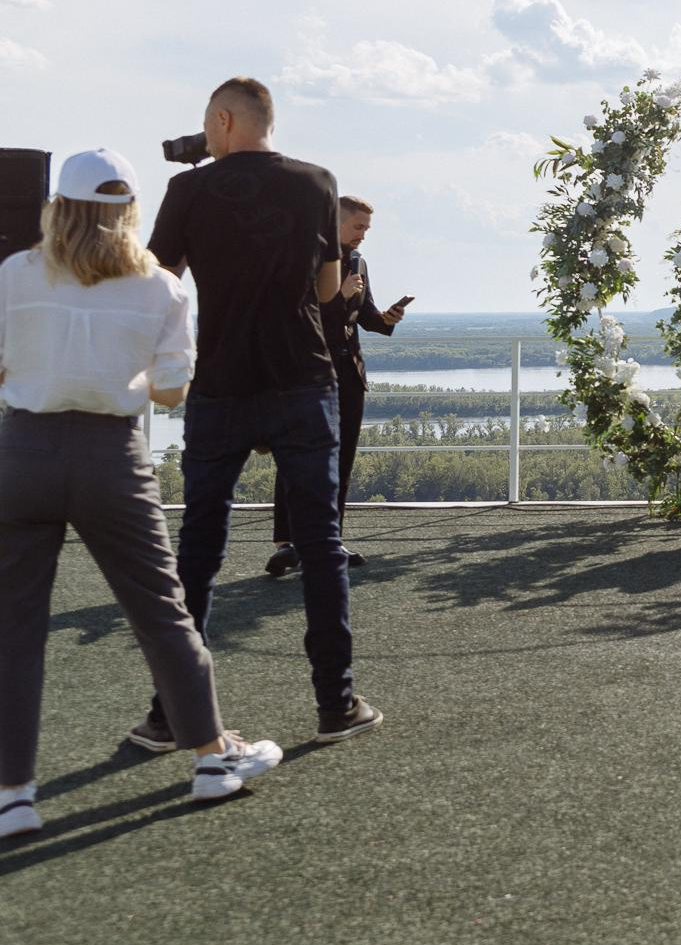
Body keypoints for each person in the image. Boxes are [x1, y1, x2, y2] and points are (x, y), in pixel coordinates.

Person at [1, 150, 285, 837]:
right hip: (110, 457)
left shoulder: (13, 275)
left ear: (58, 206)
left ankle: (14, 797)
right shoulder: (161, 287)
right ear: (129, 209)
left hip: (22, 452)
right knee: (163, 614)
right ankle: (214, 761)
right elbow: (171, 389)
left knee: (12, 631)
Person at [135, 78, 379, 749]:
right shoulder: (318, 181)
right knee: (321, 545)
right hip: (303, 379)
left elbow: (160, 283)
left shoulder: (188, 189)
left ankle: (167, 715)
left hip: (219, 385)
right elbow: (329, 287)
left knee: (198, 549)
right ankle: (337, 704)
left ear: (222, 120)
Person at [265, 194, 406, 577]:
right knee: (297, 456)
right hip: (307, 374)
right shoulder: (306, 255)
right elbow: (296, 316)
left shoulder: (359, 261)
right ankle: (286, 543)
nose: (363, 235)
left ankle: (329, 541)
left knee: (340, 460)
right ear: (336, 221)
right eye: (358, 226)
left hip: (349, 375)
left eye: (366, 229)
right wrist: (335, 297)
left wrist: (389, 317)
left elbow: (366, 317)